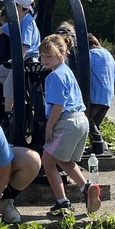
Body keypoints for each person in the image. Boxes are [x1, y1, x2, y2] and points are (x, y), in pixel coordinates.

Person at [41, 34, 102, 217]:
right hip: (81, 121)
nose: (44, 60)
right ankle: (86, 187)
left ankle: (62, 202)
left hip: (66, 123)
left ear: (61, 54)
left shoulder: (54, 77)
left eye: (49, 56)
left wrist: (49, 127)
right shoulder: (67, 71)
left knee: (47, 162)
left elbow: (58, 106)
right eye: (42, 55)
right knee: (64, 160)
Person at [86, 34, 115, 155]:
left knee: (86, 119)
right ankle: (95, 147)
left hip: (95, 94)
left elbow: (81, 69)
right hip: (107, 96)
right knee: (94, 124)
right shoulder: (108, 55)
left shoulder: (91, 55)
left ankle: (99, 142)